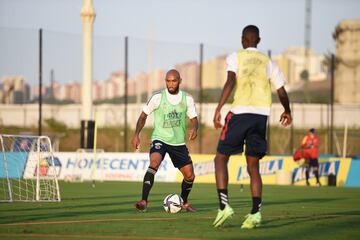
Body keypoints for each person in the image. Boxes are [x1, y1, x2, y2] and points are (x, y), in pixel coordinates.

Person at [212, 25, 292, 228]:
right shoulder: (269, 62)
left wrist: (219, 108)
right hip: (260, 117)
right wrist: (287, 111)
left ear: (242, 40)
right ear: (259, 40)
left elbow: (230, 82)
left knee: (221, 158)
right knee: (253, 166)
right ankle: (256, 213)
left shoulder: (235, 57)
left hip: (240, 113)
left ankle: (224, 207)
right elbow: (281, 91)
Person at [132, 69, 198, 213]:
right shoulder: (157, 97)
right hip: (160, 138)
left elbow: (194, 119)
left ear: (180, 81)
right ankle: (144, 200)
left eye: (174, 81)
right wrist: (137, 134)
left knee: (190, 175)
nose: (170, 84)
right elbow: (143, 116)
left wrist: (194, 128)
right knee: (154, 163)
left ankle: (184, 202)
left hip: (178, 142)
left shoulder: (187, 99)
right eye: (168, 81)